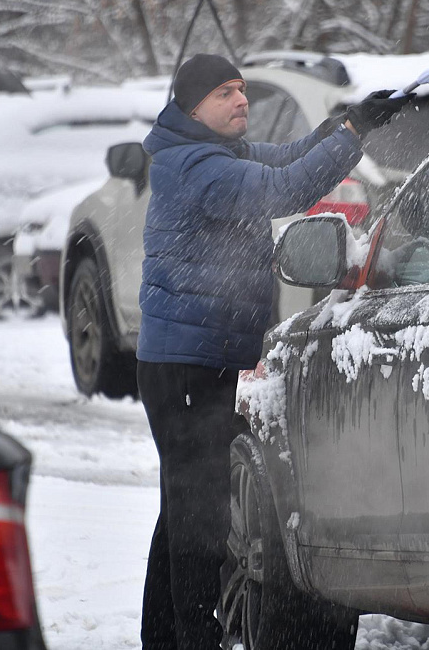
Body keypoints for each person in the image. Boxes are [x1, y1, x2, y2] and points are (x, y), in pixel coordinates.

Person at [136, 53, 410, 650]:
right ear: (192, 108)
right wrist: (352, 136)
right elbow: (284, 189)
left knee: (182, 509)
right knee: (199, 517)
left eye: (241, 88)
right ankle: (193, 640)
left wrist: (342, 126)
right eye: (224, 93)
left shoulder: (212, 152)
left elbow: (285, 158)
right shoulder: (198, 167)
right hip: (185, 367)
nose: (241, 100)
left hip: (191, 361)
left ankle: (164, 639)